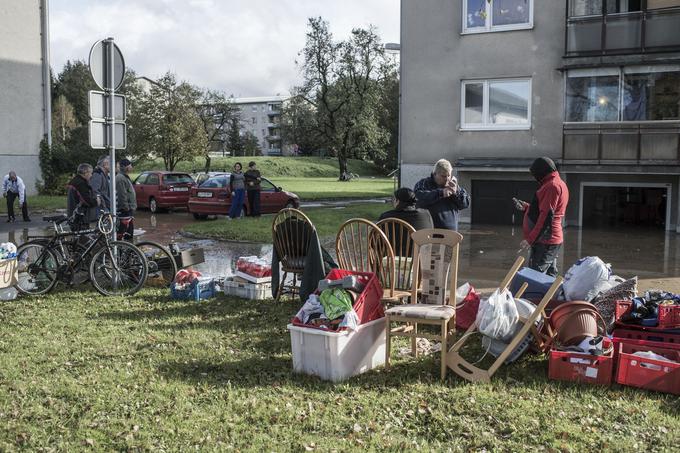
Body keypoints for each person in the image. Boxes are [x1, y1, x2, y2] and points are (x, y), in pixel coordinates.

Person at [515, 157, 569, 277]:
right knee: (548, 277)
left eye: (535, 174)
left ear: (542, 171)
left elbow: (546, 217)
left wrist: (530, 239)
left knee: (535, 277)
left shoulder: (552, 186)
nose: (535, 177)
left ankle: (534, 296)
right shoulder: (557, 183)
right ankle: (549, 295)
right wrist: (527, 208)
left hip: (546, 241)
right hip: (549, 239)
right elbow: (546, 211)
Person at [414, 159, 470, 231]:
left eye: (449, 175)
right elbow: (418, 199)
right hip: (429, 233)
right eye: (443, 176)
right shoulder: (424, 184)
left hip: (451, 235)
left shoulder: (454, 186)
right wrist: (440, 193)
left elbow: (465, 204)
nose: (447, 179)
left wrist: (456, 193)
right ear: (435, 174)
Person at [67, 163, 100, 230]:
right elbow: (86, 200)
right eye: (91, 173)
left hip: (75, 215)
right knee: (82, 238)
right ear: (85, 172)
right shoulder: (81, 183)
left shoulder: (76, 181)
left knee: (78, 238)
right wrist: (96, 201)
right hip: (79, 217)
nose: (91, 175)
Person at [116, 158, 137, 239]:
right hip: (124, 212)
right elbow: (122, 195)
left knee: (129, 232)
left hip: (128, 211)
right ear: (126, 167)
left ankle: (128, 250)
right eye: (130, 165)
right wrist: (126, 208)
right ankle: (123, 250)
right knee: (126, 233)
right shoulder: (120, 178)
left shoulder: (124, 177)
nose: (131, 167)